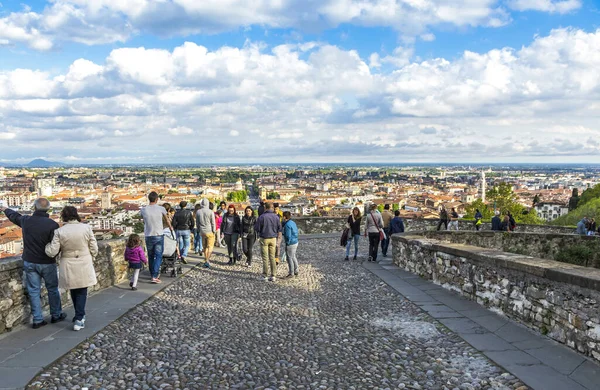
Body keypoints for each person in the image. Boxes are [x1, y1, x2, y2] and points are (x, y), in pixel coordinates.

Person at [1, 198, 66, 329]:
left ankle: (37, 319)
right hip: (47, 262)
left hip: (30, 261)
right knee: (52, 289)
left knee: (33, 291)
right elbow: (56, 245)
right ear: (48, 209)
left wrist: (4, 209)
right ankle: (56, 314)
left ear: (34, 208)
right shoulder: (52, 225)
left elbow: (14, 216)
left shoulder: (26, 221)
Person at [45, 206, 98, 331]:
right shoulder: (86, 228)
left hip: (68, 262)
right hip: (84, 261)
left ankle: (79, 315)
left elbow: (52, 251)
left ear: (64, 216)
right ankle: (79, 318)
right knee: (81, 289)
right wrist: (93, 256)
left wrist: (46, 245)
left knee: (74, 288)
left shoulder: (60, 231)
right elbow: (94, 246)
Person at [140, 191, 171, 284]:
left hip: (148, 234)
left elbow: (143, 219)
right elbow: (167, 220)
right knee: (158, 255)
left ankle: (152, 273)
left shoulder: (143, 209)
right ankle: (154, 275)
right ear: (157, 199)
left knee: (150, 255)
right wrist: (171, 228)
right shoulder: (161, 209)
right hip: (158, 234)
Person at [255, 202, 282, 281]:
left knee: (265, 258)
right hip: (273, 238)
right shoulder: (276, 217)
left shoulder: (262, 217)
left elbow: (257, 228)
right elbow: (279, 228)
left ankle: (265, 275)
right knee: (272, 257)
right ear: (272, 208)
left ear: (265, 208)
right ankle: (273, 275)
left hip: (264, 238)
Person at [196, 199, 216, 268]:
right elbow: (213, 223)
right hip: (209, 231)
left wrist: (199, 230)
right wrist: (214, 231)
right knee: (210, 246)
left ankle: (206, 259)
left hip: (202, 231)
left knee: (204, 246)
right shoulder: (210, 212)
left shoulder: (198, 212)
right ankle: (207, 260)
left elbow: (197, 223)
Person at [283, 212, 299, 277]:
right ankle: (296, 270)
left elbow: (288, 236)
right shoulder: (292, 222)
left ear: (284, 217)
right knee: (293, 256)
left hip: (291, 243)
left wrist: (287, 242)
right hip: (295, 241)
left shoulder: (287, 225)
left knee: (289, 258)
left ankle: (291, 273)